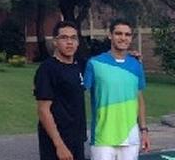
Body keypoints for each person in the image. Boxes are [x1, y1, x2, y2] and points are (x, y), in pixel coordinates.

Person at [84, 19, 150, 160]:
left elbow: (140, 99)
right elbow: (80, 94)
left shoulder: (136, 65)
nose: (123, 38)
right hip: (103, 138)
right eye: (118, 33)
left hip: (130, 138)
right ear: (110, 35)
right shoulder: (94, 63)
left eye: (127, 34)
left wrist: (144, 130)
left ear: (131, 38)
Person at [34, 21, 86, 160]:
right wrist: (59, 145)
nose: (69, 42)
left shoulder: (79, 65)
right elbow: (43, 110)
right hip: (56, 143)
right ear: (55, 42)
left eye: (73, 38)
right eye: (64, 38)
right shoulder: (47, 69)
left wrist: (128, 55)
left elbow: (105, 62)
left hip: (77, 139)